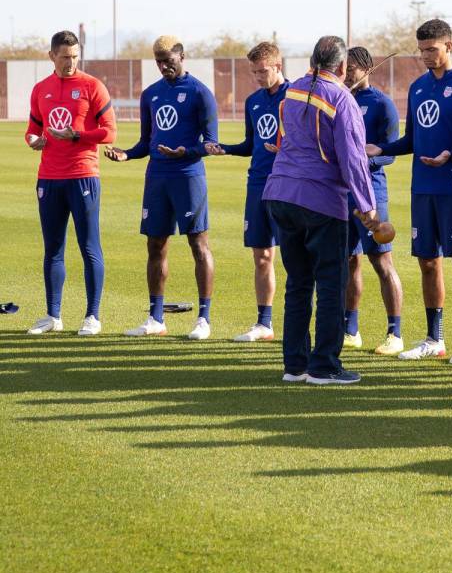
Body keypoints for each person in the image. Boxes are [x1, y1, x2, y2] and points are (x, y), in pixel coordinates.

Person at [367, 19, 452, 365]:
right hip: (422, 188)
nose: (426, 56)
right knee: (428, 262)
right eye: (421, 50)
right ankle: (435, 339)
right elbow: (412, 139)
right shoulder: (418, 87)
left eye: (432, 49)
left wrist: (451, 154)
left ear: (449, 46)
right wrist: (382, 148)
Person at [262, 36, 377, 384]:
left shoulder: (292, 91)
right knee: (330, 284)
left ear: (313, 61)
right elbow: (353, 158)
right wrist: (368, 207)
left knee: (298, 283)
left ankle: (295, 365)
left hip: (280, 194)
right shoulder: (342, 98)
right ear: (341, 67)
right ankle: (324, 365)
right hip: (320, 200)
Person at [105, 36, 218, 340]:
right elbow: (146, 142)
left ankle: (203, 319)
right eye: (159, 61)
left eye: (169, 60)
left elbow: (211, 143)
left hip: (188, 176)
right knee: (155, 245)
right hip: (156, 177)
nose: (164, 66)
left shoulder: (200, 93)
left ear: (182, 56)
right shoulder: (150, 94)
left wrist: (186, 151)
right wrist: (127, 154)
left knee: (198, 244)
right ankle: (156, 319)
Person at [25, 30, 116, 336]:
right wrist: (33, 140)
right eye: (65, 57)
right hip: (49, 177)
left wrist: (77, 135)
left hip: (82, 175)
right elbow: (32, 128)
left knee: (89, 246)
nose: (71, 62)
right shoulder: (41, 89)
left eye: (75, 56)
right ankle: (53, 316)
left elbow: (109, 132)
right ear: (52, 56)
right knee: (52, 248)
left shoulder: (92, 86)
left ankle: (92, 316)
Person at [205, 41, 289, 342]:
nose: (258, 76)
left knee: (294, 258)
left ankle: (299, 323)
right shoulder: (253, 101)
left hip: (288, 185)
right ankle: (264, 324)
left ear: (278, 66)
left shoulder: (294, 97)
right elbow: (250, 145)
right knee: (261, 255)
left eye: (263, 71)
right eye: (254, 72)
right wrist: (225, 149)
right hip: (257, 185)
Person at [342, 46, 405, 356]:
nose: (347, 74)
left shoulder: (382, 104)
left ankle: (395, 333)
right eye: (344, 68)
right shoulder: (340, 99)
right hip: (341, 192)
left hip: (371, 191)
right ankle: (350, 331)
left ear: (367, 68)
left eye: (352, 68)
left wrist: (367, 159)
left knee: (381, 261)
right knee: (348, 261)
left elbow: (391, 153)